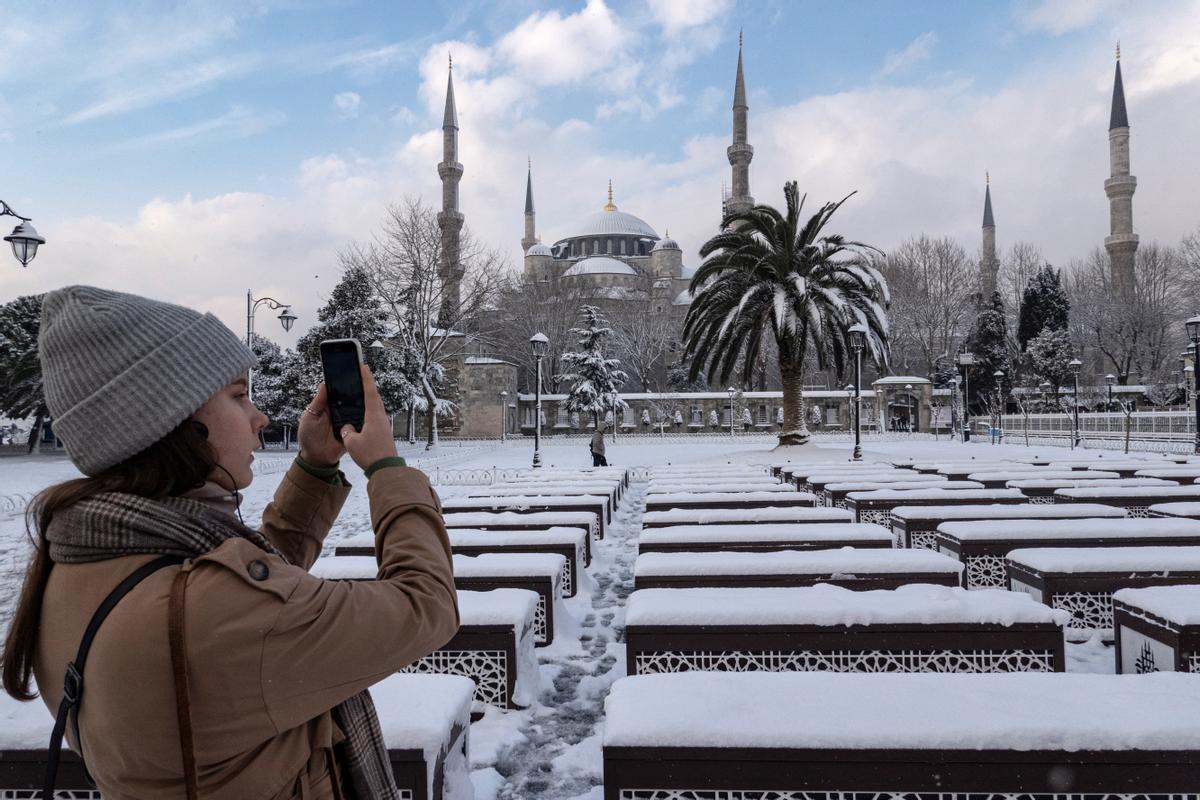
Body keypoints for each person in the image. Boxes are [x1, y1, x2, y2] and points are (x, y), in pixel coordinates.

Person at [1, 286, 459, 799]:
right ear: (174, 421)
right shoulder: (210, 611)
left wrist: (314, 466)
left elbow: (246, 587)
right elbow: (424, 606)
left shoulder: (82, 557)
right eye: (239, 396)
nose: (260, 417)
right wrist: (386, 468)